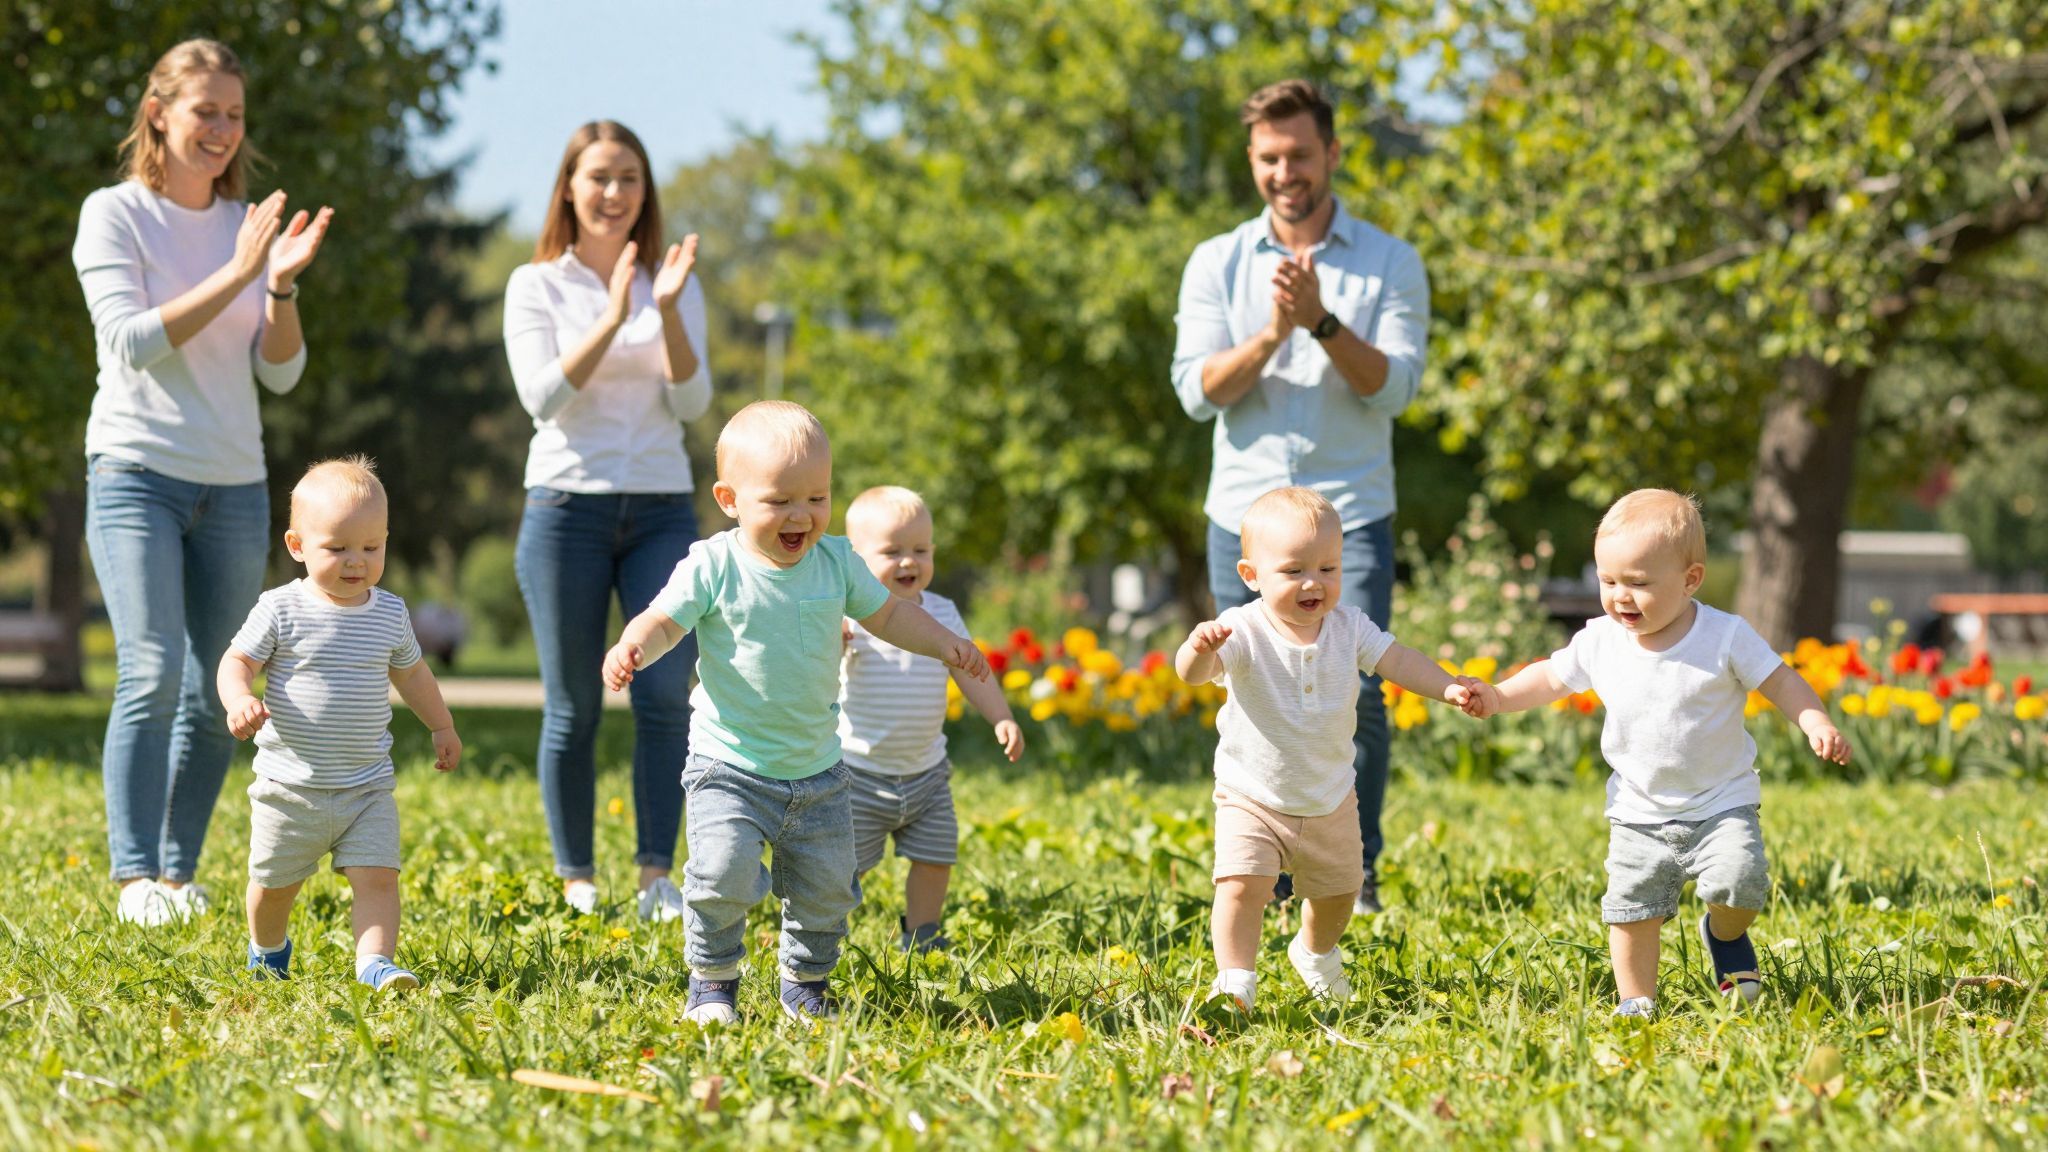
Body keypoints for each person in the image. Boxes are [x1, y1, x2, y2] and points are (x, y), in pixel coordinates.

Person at [601, 402, 990, 1024]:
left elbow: (890, 615)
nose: (801, 515)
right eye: (780, 500)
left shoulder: (836, 562)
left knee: (827, 888)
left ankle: (806, 982)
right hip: (728, 764)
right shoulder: (714, 565)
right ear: (729, 499)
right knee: (721, 873)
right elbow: (665, 620)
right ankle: (713, 981)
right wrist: (633, 646)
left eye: (817, 497)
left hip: (819, 770)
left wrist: (943, 640)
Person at [74, 38, 333, 926]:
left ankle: (177, 877)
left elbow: (281, 373)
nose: (222, 129)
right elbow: (132, 342)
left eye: (235, 114)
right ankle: (132, 877)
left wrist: (280, 289)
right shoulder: (114, 214)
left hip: (233, 482)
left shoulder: (246, 227)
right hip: (135, 472)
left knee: (219, 686)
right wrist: (237, 273)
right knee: (149, 669)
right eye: (205, 111)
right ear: (159, 113)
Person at [1171, 79, 1430, 916]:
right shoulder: (1216, 262)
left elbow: (1394, 389)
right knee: (1252, 689)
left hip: (1352, 513)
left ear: (1333, 154)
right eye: (1269, 157)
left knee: (1361, 691)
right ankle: (1269, 875)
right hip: (1243, 517)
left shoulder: (1390, 261)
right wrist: (1274, 332)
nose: (1285, 172)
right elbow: (1196, 392)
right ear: (1252, 161)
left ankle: (1354, 872)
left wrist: (1320, 321)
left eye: (1300, 155)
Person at [1459, 490, 1851, 1017]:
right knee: (1631, 912)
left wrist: (1814, 720)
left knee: (1740, 886)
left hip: (1720, 803)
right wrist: (1499, 696)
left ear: (1690, 580)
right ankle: (1636, 998)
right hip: (1638, 811)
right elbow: (1550, 677)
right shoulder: (1600, 640)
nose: (1620, 596)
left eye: (1639, 583)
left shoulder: (1724, 636)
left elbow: (1781, 681)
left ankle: (1724, 936)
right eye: (1608, 581)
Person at [503, 120, 711, 920]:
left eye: (629, 178)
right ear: (569, 187)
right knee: (574, 705)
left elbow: (692, 401)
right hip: (565, 509)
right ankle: (577, 877)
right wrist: (614, 313)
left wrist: (667, 311)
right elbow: (542, 397)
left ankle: (657, 874)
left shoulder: (674, 281)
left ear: (644, 191)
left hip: (661, 506)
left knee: (663, 694)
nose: (614, 192)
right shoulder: (536, 285)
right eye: (598, 177)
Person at [1175, 487, 1477, 1010]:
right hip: (1253, 795)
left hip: (1330, 797)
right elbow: (1195, 675)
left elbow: (1398, 660)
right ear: (1251, 575)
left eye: (1328, 568)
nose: (1313, 582)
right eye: (1294, 571)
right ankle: (1235, 981)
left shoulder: (1348, 627)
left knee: (1340, 892)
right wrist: (1197, 650)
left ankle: (1314, 953)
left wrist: (1446, 684)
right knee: (1241, 885)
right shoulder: (1242, 629)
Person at [217, 458, 461, 990]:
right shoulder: (280, 608)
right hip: (290, 788)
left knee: (379, 879)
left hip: (365, 787)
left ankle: (375, 962)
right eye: (337, 548)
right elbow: (237, 661)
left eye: (371, 548)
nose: (357, 561)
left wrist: (441, 726)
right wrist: (238, 698)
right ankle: (268, 950)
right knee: (273, 887)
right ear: (297, 545)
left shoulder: (389, 613)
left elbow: (414, 675)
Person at [838, 486, 1023, 953]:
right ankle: (819, 933)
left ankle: (923, 935)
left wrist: (1001, 716)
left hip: (927, 773)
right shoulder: (849, 616)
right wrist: (832, 644)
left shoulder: (942, 612)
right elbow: (814, 678)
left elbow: (969, 668)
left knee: (936, 857)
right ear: (855, 559)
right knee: (844, 868)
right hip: (859, 773)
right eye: (892, 551)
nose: (909, 561)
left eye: (921, 550)